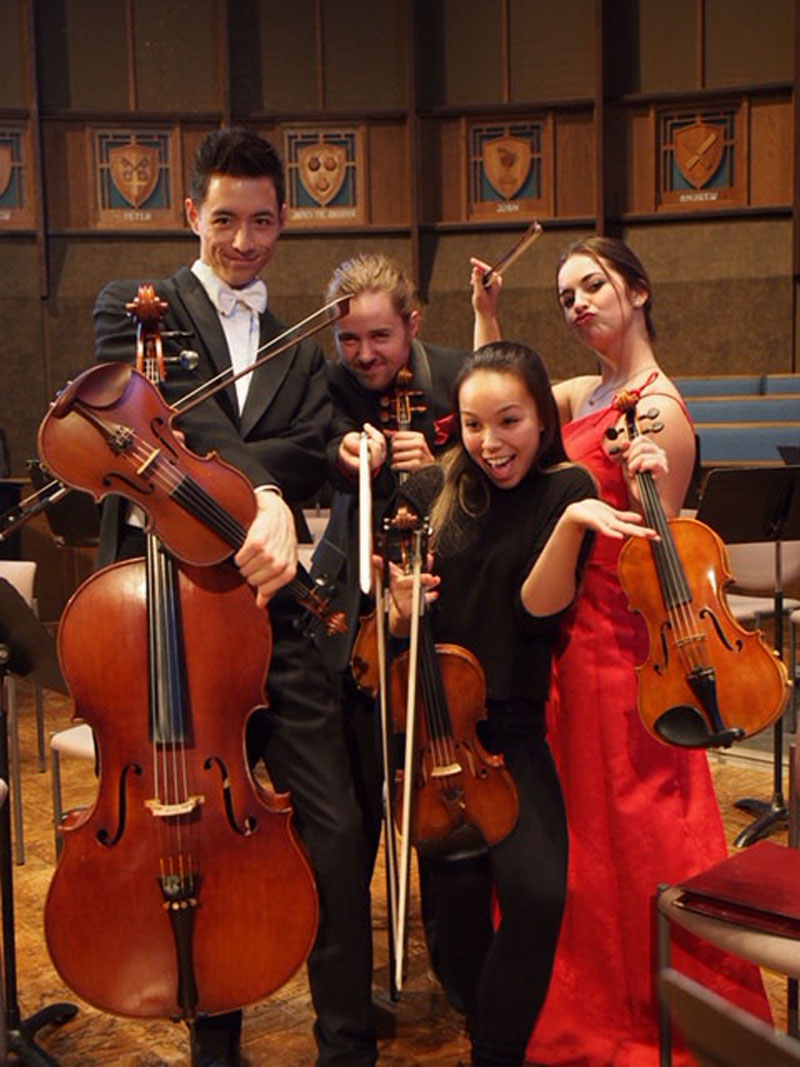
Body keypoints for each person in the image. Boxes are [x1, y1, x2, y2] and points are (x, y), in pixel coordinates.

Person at [93, 128, 376, 1067]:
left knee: (330, 822)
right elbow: (151, 421)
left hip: (277, 608)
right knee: (203, 827)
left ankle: (347, 1039)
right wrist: (260, 487)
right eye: (225, 220)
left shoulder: (307, 350)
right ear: (190, 215)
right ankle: (216, 1042)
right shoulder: (135, 312)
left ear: (284, 219)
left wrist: (259, 466)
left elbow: (311, 443)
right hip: (174, 612)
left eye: (262, 221)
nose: (244, 240)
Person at [473, 236, 771, 1065]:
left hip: (618, 643)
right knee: (579, 833)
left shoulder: (660, 409)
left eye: (592, 286)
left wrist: (646, 476)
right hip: (570, 636)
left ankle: (643, 1008)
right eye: (566, 296)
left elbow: (658, 558)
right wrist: (487, 315)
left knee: (630, 827)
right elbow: (499, 398)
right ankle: (572, 991)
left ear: (637, 290)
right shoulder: (589, 389)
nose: (577, 306)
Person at [386, 340, 659, 1067]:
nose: (490, 442)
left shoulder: (565, 491)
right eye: (474, 425)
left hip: (512, 725)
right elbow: (385, 621)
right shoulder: (429, 492)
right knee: (458, 915)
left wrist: (573, 526)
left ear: (541, 416)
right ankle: (483, 1025)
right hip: (439, 730)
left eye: (508, 421)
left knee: (538, 895)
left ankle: (495, 1051)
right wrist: (396, 606)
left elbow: (537, 611)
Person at [312, 252, 467, 867]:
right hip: (358, 610)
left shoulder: (459, 374)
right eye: (348, 338)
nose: (365, 354)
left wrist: (441, 468)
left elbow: (501, 470)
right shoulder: (325, 385)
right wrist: (341, 454)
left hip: (441, 601)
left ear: (413, 324)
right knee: (352, 797)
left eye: (380, 335)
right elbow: (312, 451)